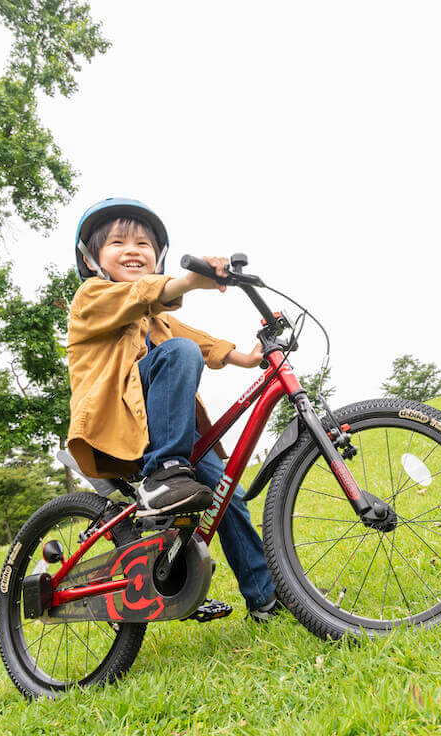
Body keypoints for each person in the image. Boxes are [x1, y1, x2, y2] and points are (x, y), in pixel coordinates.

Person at [64, 198, 280, 620]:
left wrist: (244, 356)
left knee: (228, 496)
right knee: (177, 354)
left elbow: (197, 337)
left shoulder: (156, 318)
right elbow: (150, 297)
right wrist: (186, 282)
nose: (133, 250)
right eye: (118, 242)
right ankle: (164, 475)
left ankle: (267, 598)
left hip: (169, 430)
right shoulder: (91, 298)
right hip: (121, 424)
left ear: (156, 256)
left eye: (144, 243)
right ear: (92, 260)